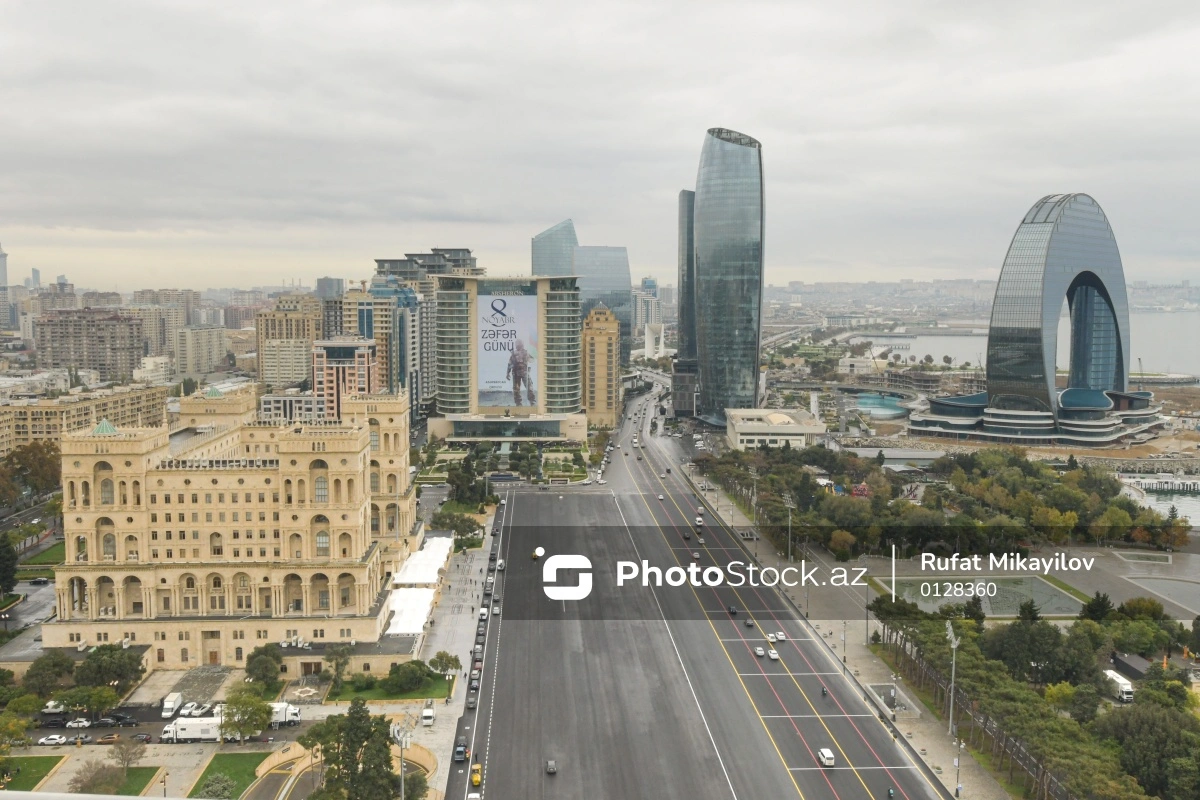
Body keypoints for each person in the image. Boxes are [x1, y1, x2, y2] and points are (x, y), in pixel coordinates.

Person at [506, 340, 536, 406]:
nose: (518, 346)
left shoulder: (525, 352)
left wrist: (508, 373)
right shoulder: (514, 353)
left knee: (529, 388)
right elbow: (510, 364)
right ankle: (519, 404)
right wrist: (507, 373)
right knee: (517, 389)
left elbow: (532, 360)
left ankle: (532, 402)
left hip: (524, 372)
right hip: (517, 373)